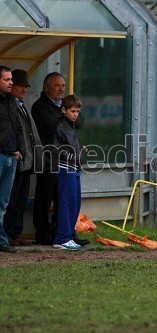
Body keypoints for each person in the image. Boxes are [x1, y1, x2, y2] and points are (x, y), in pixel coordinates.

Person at [31, 72, 87, 246]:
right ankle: (43, 234)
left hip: (68, 162)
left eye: (63, 85)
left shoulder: (64, 106)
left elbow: (79, 123)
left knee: (65, 199)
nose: (61, 89)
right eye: (57, 85)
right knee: (45, 197)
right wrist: (64, 115)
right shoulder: (40, 106)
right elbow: (53, 127)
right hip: (49, 161)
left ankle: (66, 233)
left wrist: (68, 113)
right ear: (46, 88)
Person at [4, 70, 41, 246]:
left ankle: (15, 233)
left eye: (26, 86)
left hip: (24, 160)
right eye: (20, 86)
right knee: (10, 200)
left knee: (20, 200)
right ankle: (7, 234)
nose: (24, 89)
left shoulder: (21, 105)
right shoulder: (11, 105)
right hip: (15, 158)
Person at [52, 95, 87, 250]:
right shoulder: (60, 126)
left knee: (74, 203)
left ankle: (69, 236)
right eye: (73, 111)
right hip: (65, 168)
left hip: (74, 168)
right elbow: (56, 148)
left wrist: (81, 151)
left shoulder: (71, 125)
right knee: (67, 203)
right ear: (64, 110)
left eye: (78, 111)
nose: (76, 114)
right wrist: (73, 154)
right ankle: (62, 238)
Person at [0, 65, 25, 253]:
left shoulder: (11, 101)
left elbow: (18, 128)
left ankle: (1, 241)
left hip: (11, 158)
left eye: (11, 80)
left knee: (3, 203)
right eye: (7, 80)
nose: (11, 83)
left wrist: (20, 150)